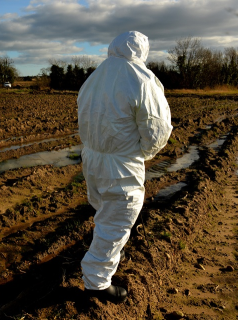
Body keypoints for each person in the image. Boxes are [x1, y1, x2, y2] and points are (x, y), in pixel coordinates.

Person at [77, 31, 173, 303]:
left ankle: (98, 255)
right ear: (142, 50)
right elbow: (157, 128)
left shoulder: (94, 77)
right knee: (117, 220)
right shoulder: (141, 79)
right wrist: (143, 153)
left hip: (93, 158)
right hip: (121, 163)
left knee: (104, 210)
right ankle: (96, 283)